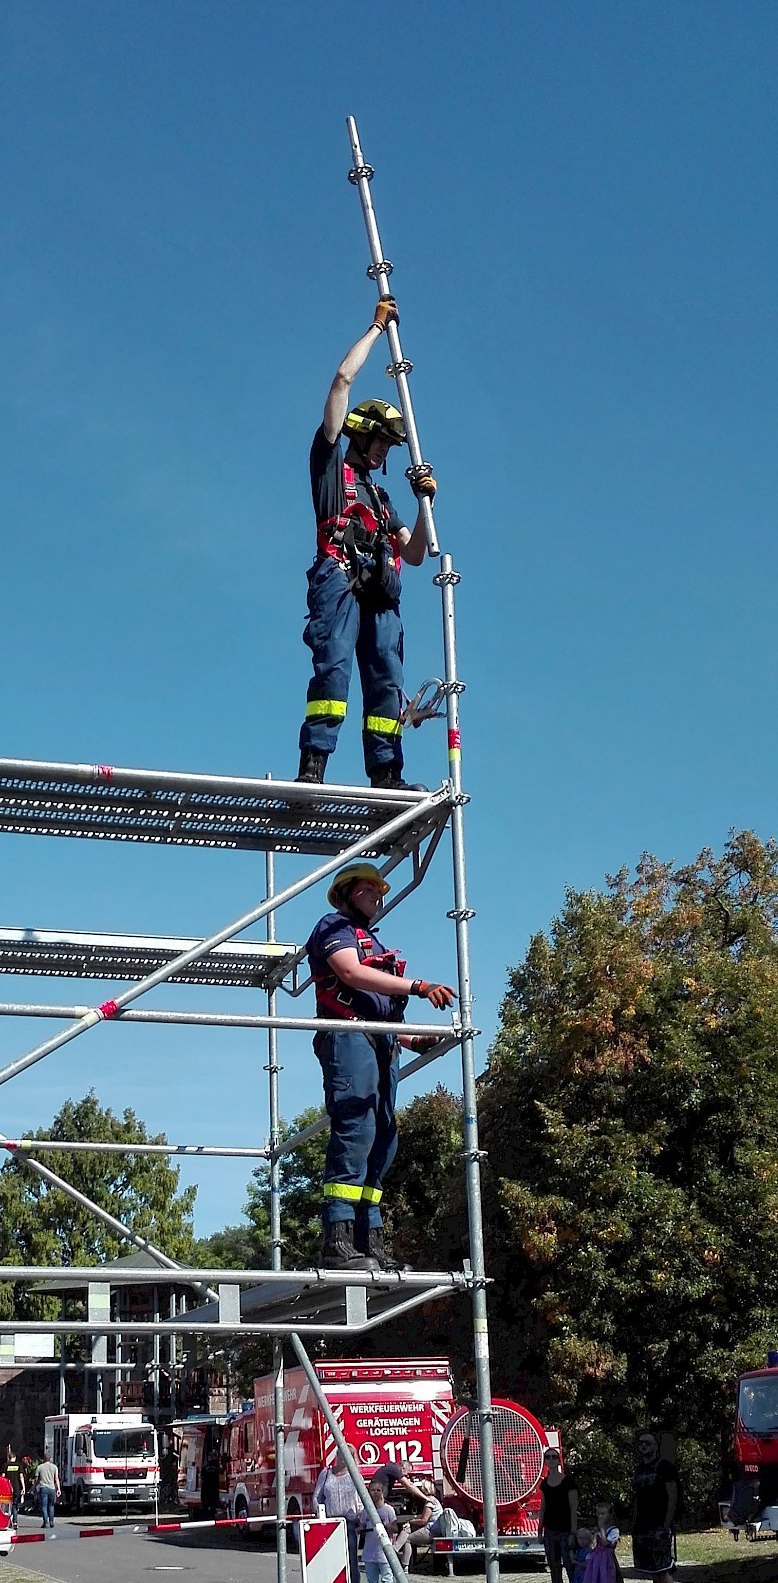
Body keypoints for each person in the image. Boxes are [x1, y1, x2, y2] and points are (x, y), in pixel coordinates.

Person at [296, 298, 437, 788]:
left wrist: (424, 505)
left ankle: (387, 774)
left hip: (379, 594)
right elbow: (341, 382)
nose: (384, 450)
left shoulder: (380, 497)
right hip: (337, 578)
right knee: (333, 672)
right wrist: (377, 329)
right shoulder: (332, 466)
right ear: (361, 433)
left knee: (386, 684)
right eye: (381, 441)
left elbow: (415, 554)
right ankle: (313, 767)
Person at [307, 862, 456, 1269]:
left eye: (380, 890)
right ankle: (337, 1241)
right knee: (357, 1127)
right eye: (372, 889)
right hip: (348, 1036)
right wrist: (418, 986)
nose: (379, 896)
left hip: (379, 1041)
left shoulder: (371, 940)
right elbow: (351, 975)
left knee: (384, 1137)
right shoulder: (333, 928)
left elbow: (385, 1016)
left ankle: (369, 1241)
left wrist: (414, 1040)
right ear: (350, 892)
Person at [631, 1430, 681, 1583]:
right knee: (653, 1572)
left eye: (648, 1443)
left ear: (656, 1446)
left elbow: (672, 1497)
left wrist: (666, 1525)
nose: (644, 1446)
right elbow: (636, 1498)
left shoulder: (664, 1467)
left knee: (663, 1570)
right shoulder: (639, 1469)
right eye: (641, 1443)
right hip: (642, 1525)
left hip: (659, 1525)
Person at [313, 1443, 367, 1583]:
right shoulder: (326, 1473)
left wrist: (361, 1518)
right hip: (330, 1523)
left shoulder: (354, 1475)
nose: (346, 1458)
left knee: (351, 1563)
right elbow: (317, 1496)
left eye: (350, 1455)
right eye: (343, 1454)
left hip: (350, 1523)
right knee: (331, 1564)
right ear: (338, 1456)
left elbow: (362, 1499)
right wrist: (319, 1513)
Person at [539, 1445, 579, 1583]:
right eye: (548, 1457)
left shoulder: (568, 1481)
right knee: (555, 1570)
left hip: (565, 1531)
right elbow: (543, 1506)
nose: (551, 1460)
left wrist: (573, 1532)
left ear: (559, 1459)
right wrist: (540, 1528)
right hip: (550, 1530)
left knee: (570, 1568)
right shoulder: (545, 1483)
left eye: (554, 1457)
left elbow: (573, 1508)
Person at [361, 1472, 398, 1583]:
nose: (375, 1493)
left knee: (388, 1581)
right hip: (370, 1551)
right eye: (372, 1490)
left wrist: (388, 1526)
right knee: (371, 1581)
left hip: (384, 1552)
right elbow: (362, 1525)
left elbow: (395, 1528)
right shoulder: (366, 1511)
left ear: (383, 1492)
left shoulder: (388, 1510)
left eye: (378, 1490)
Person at [584, 1502, 623, 1583]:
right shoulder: (597, 1530)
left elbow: (606, 1543)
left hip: (609, 1563)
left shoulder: (614, 1530)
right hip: (599, 1562)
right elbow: (594, 1545)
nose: (600, 1516)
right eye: (599, 1514)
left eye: (603, 1514)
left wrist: (601, 1529)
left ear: (610, 1515)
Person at [36, 1450, 60, 1532]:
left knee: (44, 1506)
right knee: (51, 1505)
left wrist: (34, 1486)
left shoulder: (39, 1467)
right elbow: (56, 1478)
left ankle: (46, 1522)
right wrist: (58, 1489)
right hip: (52, 1488)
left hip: (43, 1488)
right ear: (50, 1459)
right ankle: (51, 1521)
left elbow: (36, 1479)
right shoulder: (54, 1467)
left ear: (43, 1458)